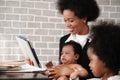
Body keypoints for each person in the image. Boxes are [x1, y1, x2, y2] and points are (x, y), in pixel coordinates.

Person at [47, 0, 100, 79]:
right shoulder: (64, 40)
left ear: (84, 18)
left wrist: (73, 72)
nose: (67, 25)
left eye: (71, 20)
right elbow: (63, 66)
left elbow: (100, 73)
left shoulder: (98, 41)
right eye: (65, 20)